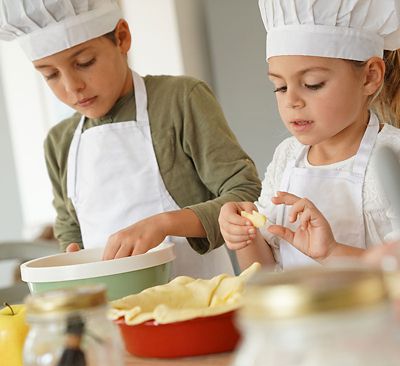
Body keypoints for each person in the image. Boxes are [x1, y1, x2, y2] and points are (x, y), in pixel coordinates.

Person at [0, 0, 261, 279]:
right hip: (111, 309)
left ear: (122, 38)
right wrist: (72, 256)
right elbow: (69, 226)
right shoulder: (59, 142)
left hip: (201, 297)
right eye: (50, 75)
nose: (71, 86)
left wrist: (165, 224)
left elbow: (245, 194)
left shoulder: (180, 99)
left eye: (84, 62)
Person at [219, 0, 400, 270]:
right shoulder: (287, 157)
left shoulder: (392, 156)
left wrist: (332, 252)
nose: (292, 101)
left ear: (369, 77)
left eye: (312, 84)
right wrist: (245, 234)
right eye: (279, 87)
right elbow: (264, 276)